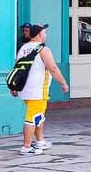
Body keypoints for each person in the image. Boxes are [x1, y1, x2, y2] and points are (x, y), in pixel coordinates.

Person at [16, 23, 68, 155]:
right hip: (38, 90)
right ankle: (26, 147)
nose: (46, 35)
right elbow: (53, 68)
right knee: (32, 117)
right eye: (44, 32)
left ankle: (40, 141)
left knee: (38, 115)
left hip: (25, 89)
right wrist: (63, 83)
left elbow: (16, 67)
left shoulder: (24, 48)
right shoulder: (43, 49)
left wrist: (14, 86)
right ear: (39, 34)